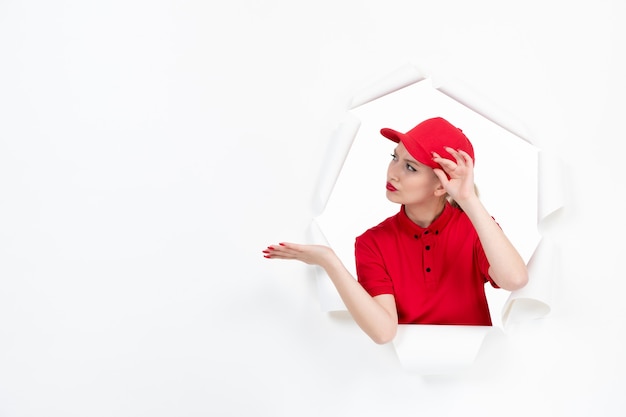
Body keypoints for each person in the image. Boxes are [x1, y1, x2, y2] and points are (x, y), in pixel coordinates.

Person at [263, 117, 528, 344]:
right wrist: (329, 261)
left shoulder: (476, 228)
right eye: (395, 158)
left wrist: (469, 200)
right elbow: (383, 332)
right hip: (400, 381)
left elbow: (514, 279)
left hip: (474, 378)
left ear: (441, 186)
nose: (393, 173)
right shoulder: (372, 243)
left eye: (410, 167)